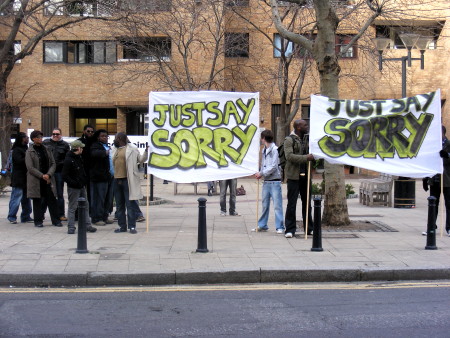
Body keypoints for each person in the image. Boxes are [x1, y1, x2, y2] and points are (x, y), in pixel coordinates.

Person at [111, 132, 148, 234]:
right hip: (116, 179)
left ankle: (132, 226)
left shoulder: (132, 148)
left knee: (130, 204)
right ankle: (122, 226)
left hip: (128, 180)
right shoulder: (114, 149)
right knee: (119, 205)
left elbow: (141, 160)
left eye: (116, 138)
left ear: (120, 138)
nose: (114, 140)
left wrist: (146, 152)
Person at [284, 119, 315, 238]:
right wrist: (306, 158)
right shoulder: (289, 140)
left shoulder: (308, 139)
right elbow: (289, 156)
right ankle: (290, 229)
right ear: (298, 127)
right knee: (292, 203)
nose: (307, 126)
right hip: (294, 176)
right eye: (305, 125)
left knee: (307, 203)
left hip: (306, 175)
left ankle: (309, 228)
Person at [25, 130, 62, 228]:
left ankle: (56, 220)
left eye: (41, 137)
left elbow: (53, 163)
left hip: (48, 179)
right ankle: (38, 220)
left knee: (52, 199)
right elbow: (30, 167)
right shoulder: (30, 151)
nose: (40, 139)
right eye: (38, 137)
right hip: (36, 179)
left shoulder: (46, 149)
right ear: (33, 139)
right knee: (37, 201)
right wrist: (42, 175)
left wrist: (49, 174)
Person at [62, 140, 97, 234]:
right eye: (81, 147)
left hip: (81, 185)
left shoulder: (79, 157)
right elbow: (64, 175)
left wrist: (84, 180)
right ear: (77, 148)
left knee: (86, 205)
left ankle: (87, 225)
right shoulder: (69, 160)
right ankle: (71, 226)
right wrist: (73, 183)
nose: (82, 149)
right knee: (73, 207)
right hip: (74, 187)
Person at [253, 129, 284, 234]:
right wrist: (260, 172)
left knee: (277, 205)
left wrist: (261, 173)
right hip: (266, 181)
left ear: (264, 138)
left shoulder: (275, 150)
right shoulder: (264, 150)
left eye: (261, 138)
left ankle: (280, 226)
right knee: (265, 204)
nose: (261, 140)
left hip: (275, 181)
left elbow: (274, 166)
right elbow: (263, 165)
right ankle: (262, 224)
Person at [422, 125, 450, 237]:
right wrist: (426, 177)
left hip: (447, 180)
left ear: (443, 133)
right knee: (433, 204)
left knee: (449, 204)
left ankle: (448, 227)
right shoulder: (432, 146)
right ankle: (431, 226)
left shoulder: (448, 144)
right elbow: (428, 161)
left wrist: (447, 155)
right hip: (435, 180)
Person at [43, 128, 70, 221]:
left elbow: (67, 159)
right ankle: (41, 214)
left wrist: (59, 165)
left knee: (59, 194)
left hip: (59, 172)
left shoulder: (65, 145)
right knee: (45, 193)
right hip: (48, 172)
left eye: (57, 134)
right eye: (53, 134)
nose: (55, 135)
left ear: (60, 135)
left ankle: (61, 214)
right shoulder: (46, 143)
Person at [7, 132, 33, 224]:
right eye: (26, 137)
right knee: (16, 197)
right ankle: (12, 216)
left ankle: (26, 216)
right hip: (18, 177)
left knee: (27, 198)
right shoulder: (17, 150)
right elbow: (19, 161)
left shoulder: (26, 148)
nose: (27, 139)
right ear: (21, 139)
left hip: (26, 177)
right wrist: (28, 158)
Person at [89, 129, 114, 226]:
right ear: (98, 137)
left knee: (108, 198)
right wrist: (105, 153)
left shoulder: (107, 146)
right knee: (99, 198)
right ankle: (96, 218)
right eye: (103, 136)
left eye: (106, 136)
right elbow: (95, 154)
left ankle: (105, 216)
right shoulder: (95, 146)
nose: (105, 138)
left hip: (109, 176)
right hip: (99, 177)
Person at [77, 125, 95, 209]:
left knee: (91, 193)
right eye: (88, 131)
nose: (90, 133)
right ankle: (79, 212)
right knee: (81, 193)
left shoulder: (95, 142)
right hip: (81, 171)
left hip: (92, 171)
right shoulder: (79, 142)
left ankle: (91, 210)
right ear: (84, 131)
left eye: (92, 131)